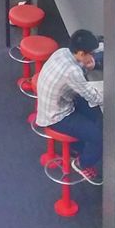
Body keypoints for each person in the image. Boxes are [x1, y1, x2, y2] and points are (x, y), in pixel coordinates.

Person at [35, 28, 103, 184]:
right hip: (56, 116)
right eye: (90, 54)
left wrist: (88, 64)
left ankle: (77, 147)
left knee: (95, 116)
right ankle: (82, 163)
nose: (92, 56)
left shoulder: (63, 52)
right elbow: (94, 97)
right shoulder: (72, 71)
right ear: (80, 53)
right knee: (101, 136)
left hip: (56, 102)